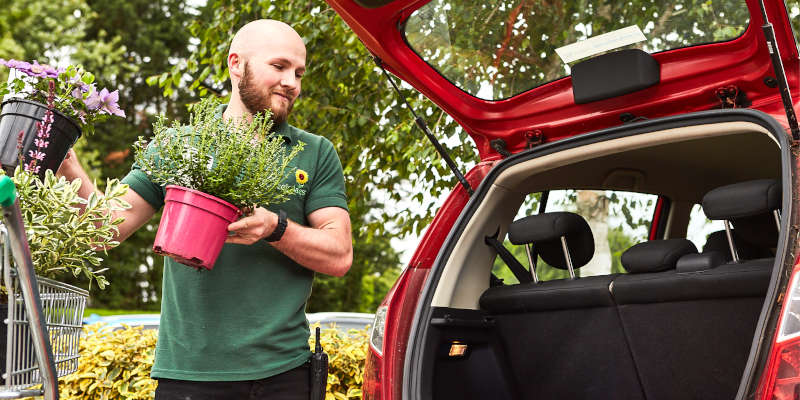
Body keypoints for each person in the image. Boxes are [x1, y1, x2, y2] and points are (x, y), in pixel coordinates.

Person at [57, 19, 353, 400]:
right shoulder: (178, 146)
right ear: (236, 64)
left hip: (285, 374)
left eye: (298, 72)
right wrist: (69, 166)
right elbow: (102, 230)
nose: (292, 82)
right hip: (190, 376)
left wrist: (275, 228)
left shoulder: (314, 152)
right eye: (279, 67)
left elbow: (340, 255)